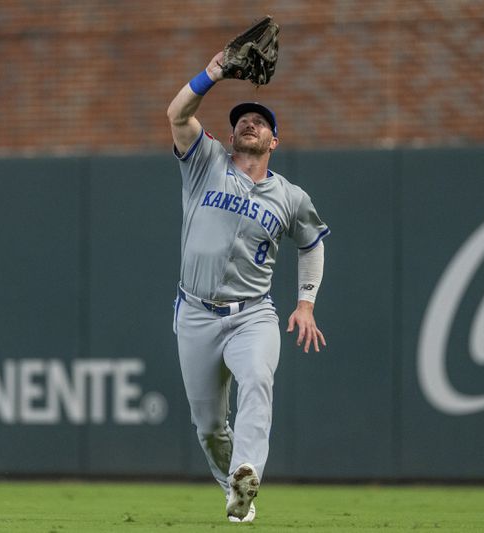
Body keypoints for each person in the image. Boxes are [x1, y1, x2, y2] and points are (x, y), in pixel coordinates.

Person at [167, 50, 330, 523]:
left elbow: (313, 243)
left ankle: (247, 471)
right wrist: (214, 72)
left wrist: (306, 303)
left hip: (252, 314)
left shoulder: (290, 197)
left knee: (257, 378)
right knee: (209, 428)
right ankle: (234, 490)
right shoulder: (206, 163)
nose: (249, 124)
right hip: (195, 313)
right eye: (243, 119)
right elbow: (176, 114)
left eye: (260, 121)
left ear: (274, 141)